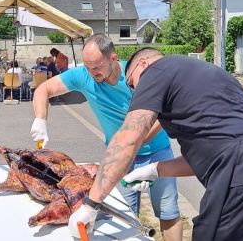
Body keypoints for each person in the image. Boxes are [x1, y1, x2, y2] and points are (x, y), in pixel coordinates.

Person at [69, 47, 243, 241]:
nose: (135, 91)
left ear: (142, 65)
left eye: (132, 84)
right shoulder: (206, 74)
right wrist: (155, 170)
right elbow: (212, 153)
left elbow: (127, 139)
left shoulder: (156, 71)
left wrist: (91, 205)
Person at [31, 34, 182, 241]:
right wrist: (40, 119)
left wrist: (135, 143)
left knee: (168, 213)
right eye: (88, 67)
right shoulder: (83, 75)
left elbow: (163, 114)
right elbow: (43, 89)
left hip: (157, 153)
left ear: (113, 59)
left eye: (97, 67)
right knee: (123, 217)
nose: (92, 73)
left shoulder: (135, 76)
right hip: (119, 159)